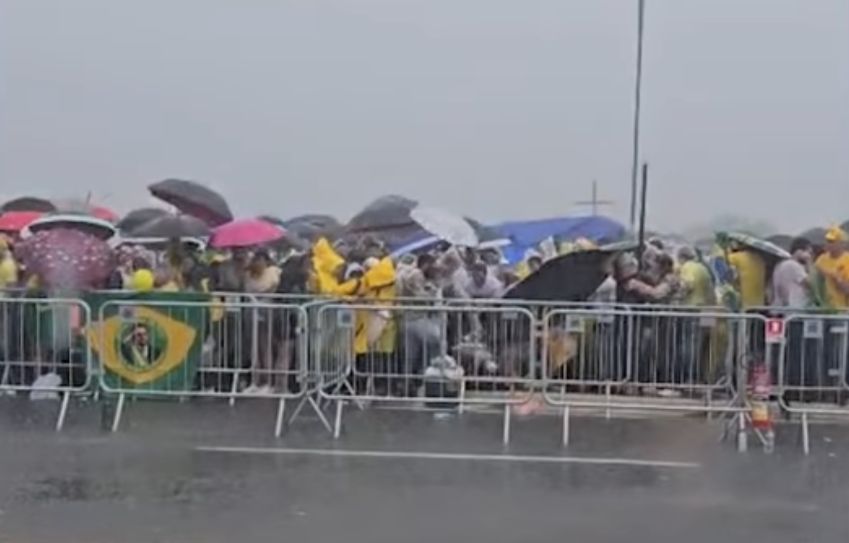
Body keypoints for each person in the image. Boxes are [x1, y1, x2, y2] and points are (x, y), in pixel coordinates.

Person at [772, 238, 813, 308]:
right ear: (799, 251)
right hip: (795, 308)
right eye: (809, 253)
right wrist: (809, 263)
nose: (809, 256)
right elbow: (810, 283)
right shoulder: (794, 265)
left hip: (782, 307)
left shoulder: (780, 265)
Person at [814, 226, 849, 309]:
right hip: (823, 308)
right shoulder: (821, 259)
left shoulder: (847, 260)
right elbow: (814, 281)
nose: (828, 244)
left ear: (842, 244)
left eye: (832, 241)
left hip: (842, 310)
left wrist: (837, 278)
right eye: (827, 241)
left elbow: (847, 290)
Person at [727, 243, 767, 309]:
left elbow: (725, 259)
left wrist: (729, 249)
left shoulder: (738, 257)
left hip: (746, 303)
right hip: (760, 303)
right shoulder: (760, 258)